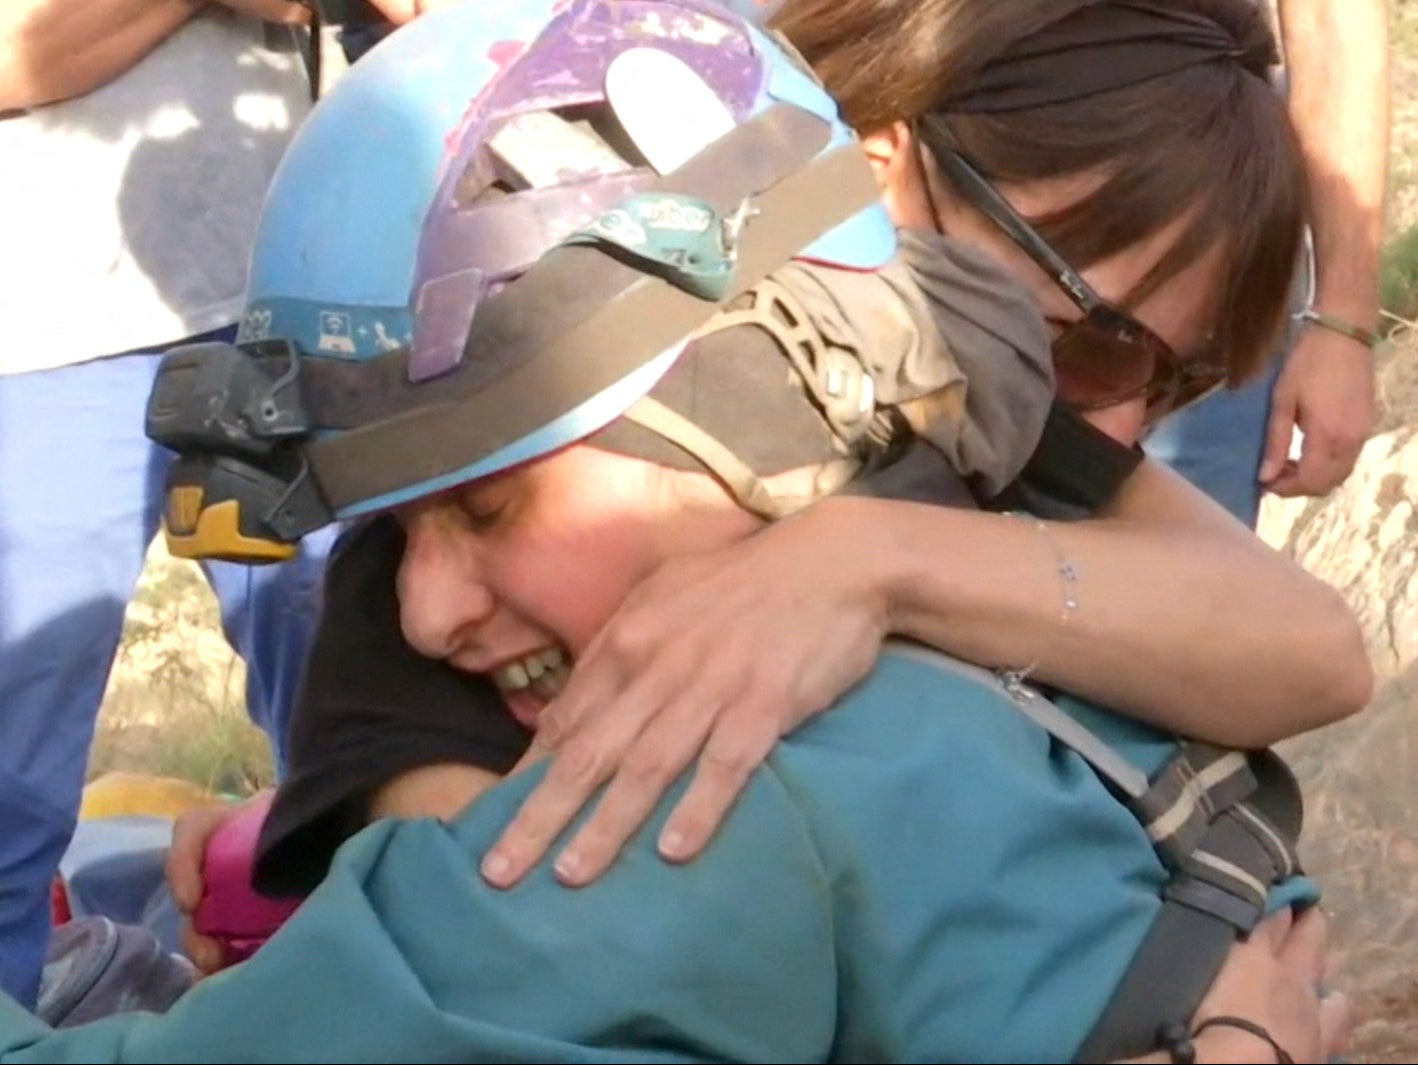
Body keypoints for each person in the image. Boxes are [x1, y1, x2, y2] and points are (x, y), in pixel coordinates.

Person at [1, 5, 1350, 1058]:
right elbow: (539, 980)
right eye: (1092, 342)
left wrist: (867, 566)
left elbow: (1315, 652)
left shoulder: (905, 440)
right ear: (871, 190)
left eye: (1168, 382)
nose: (1107, 424)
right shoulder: (823, 408)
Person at [0, 0, 336, 1011]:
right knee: (12, 776)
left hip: (291, 303)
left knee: (362, 742)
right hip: (42, 341)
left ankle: (350, 1011)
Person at [1142, 0, 1390, 526]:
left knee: (1188, 588)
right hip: (963, 254)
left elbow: (1330, 21)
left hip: (1208, 286)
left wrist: (1343, 326)